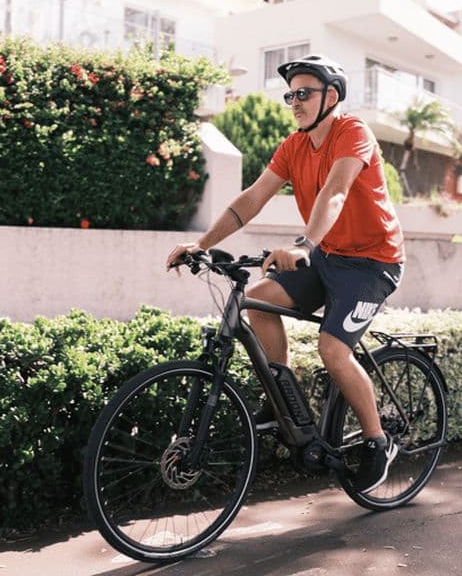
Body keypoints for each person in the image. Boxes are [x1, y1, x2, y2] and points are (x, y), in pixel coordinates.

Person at [166, 55, 405, 493]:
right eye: (290, 94)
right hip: (328, 255)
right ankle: (284, 402)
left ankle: (377, 442)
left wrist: (303, 245)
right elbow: (252, 198)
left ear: (331, 96)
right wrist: (202, 244)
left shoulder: (353, 133)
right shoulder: (294, 146)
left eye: (304, 93)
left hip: (373, 262)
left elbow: (335, 193)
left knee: (333, 349)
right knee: (259, 300)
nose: (295, 101)